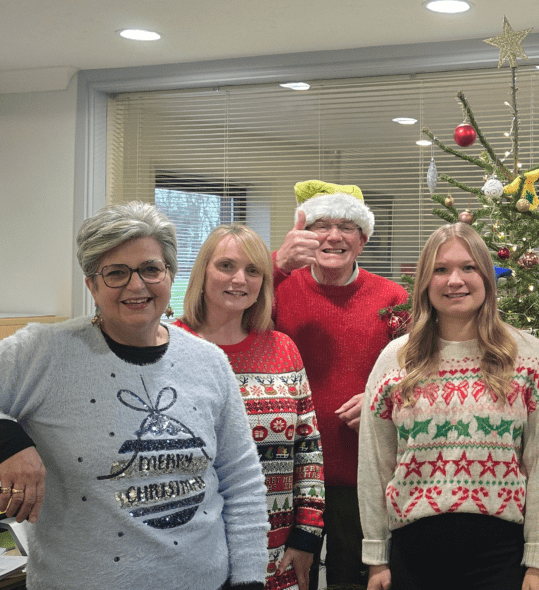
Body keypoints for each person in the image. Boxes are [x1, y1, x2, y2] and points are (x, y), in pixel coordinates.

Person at [0, 201, 269, 589]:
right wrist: (9, 441)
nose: (136, 285)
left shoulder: (209, 361)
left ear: (170, 274)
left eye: (150, 269)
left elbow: (241, 482)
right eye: (116, 273)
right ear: (92, 285)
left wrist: (249, 578)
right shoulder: (44, 352)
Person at [357, 223, 539, 590]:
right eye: (441, 269)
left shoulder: (528, 357)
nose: (455, 280)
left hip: (501, 558)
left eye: (468, 267)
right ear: (425, 281)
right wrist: (376, 557)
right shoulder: (395, 360)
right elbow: (375, 464)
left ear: (486, 277)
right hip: (412, 556)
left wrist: (538, 564)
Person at [175, 224, 325, 590]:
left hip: (274, 551)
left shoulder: (283, 350)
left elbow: (308, 448)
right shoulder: (170, 347)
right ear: (202, 273)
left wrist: (307, 535)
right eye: (226, 265)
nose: (240, 279)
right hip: (188, 552)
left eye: (253, 270)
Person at [273, 180, 408, 585]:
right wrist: (278, 264)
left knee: (353, 580)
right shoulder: (277, 290)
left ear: (362, 240)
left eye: (347, 227)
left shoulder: (392, 297)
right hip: (291, 475)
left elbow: (418, 373)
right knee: (290, 579)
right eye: (321, 226)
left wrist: (380, 398)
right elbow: (231, 320)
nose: (333, 236)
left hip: (362, 475)